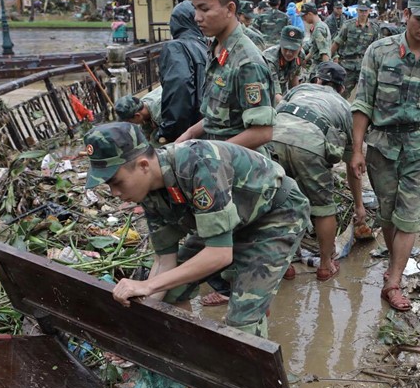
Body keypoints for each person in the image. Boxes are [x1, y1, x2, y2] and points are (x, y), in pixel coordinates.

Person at [86, 123, 310, 342]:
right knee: (172, 293)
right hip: (231, 221)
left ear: (143, 165)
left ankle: (249, 359)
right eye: (108, 186)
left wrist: (147, 285)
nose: (114, 193)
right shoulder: (148, 191)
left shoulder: (198, 164)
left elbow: (220, 254)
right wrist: (142, 319)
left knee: (241, 325)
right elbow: (164, 260)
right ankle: (189, 352)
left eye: (117, 182)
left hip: (275, 213)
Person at [176, 0, 278, 307]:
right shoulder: (218, 50)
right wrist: (189, 134)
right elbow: (217, 114)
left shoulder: (247, 59)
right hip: (216, 169)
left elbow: (262, 131)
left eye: (205, 9)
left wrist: (209, 154)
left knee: (201, 253)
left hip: (240, 175)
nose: (198, 17)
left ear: (230, 8)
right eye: (195, 10)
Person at [350, 0, 420, 311]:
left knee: (408, 216)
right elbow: (363, 103)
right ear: (406, 15)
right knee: (388, 212)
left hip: (419, 147)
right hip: (382, 145)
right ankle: (394, 265)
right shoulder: (379, 52)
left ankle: (393, 281)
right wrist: (356, 150)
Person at [271, 62, 363, 282]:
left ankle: (284, 266)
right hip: (310, 146)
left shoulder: (297, 89)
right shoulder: (343, 106)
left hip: (272, 139)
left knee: (278, 203)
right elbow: (353, 166)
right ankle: (325, 265)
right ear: (341, 88)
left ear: (316, 80)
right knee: (323, 208)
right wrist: (359, 205)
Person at [157, 1, 209, 143]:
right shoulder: (206, 47)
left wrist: (169, 131)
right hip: (206, 128)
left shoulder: (176, 47)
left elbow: (179, 86)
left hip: (188, 133)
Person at [331, 0, 380, 95]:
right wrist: (330, 58)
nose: (363, 13)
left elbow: (377, 49)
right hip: (347, 66)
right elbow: (336, 43)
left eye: (365, 11)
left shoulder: (374, 28)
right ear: (357, 10)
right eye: (361, 10)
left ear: (370, 11)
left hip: (365, 66)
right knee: (341, 94)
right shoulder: (348, 25)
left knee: (366, 95)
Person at [263, 26, 304, 103]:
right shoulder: (270, 59)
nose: (289, 53)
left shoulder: (300, 55)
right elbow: (275, 93)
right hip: (266, 95)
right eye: (285, 48)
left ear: (300, 47)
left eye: (293, 49)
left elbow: (294, 80)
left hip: (282, 93)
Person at [300, 2, 331, 72]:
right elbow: (314, 49)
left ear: (310, 14)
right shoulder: (320, 25)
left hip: (319, 67)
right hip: (317, 65)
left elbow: (324, 53)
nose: (303, 18)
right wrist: (305, 60)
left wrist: (324, 73)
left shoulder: (318, 29)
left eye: (304, 16)